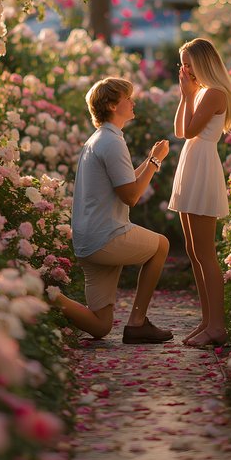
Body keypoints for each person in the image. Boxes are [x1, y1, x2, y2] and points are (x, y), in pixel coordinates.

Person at [51, 77, 173, 344]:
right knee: (162, 245)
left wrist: (151, 160)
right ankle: (138, 322)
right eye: (127, 98)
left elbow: (126, 181)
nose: (133, 102)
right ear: (111, 105)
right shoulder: (112, 142)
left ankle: (47, 296)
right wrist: (155, 161)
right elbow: (131, 196)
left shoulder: (99, 139)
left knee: (100, 326)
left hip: (87, 242)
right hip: (106, 238)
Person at [168, 38, 231, 347]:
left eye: (188, 63)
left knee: (206, 253)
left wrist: (188, 94)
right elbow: (180, 131)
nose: (184, 70)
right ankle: (207, 320)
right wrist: (186, 97)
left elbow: (192, 131)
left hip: (203, 165)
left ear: (201, 63)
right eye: (182, 64)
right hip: (191, 163)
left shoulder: (215, 94)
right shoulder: (200, 94)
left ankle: (217, 325)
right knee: (193, 252)